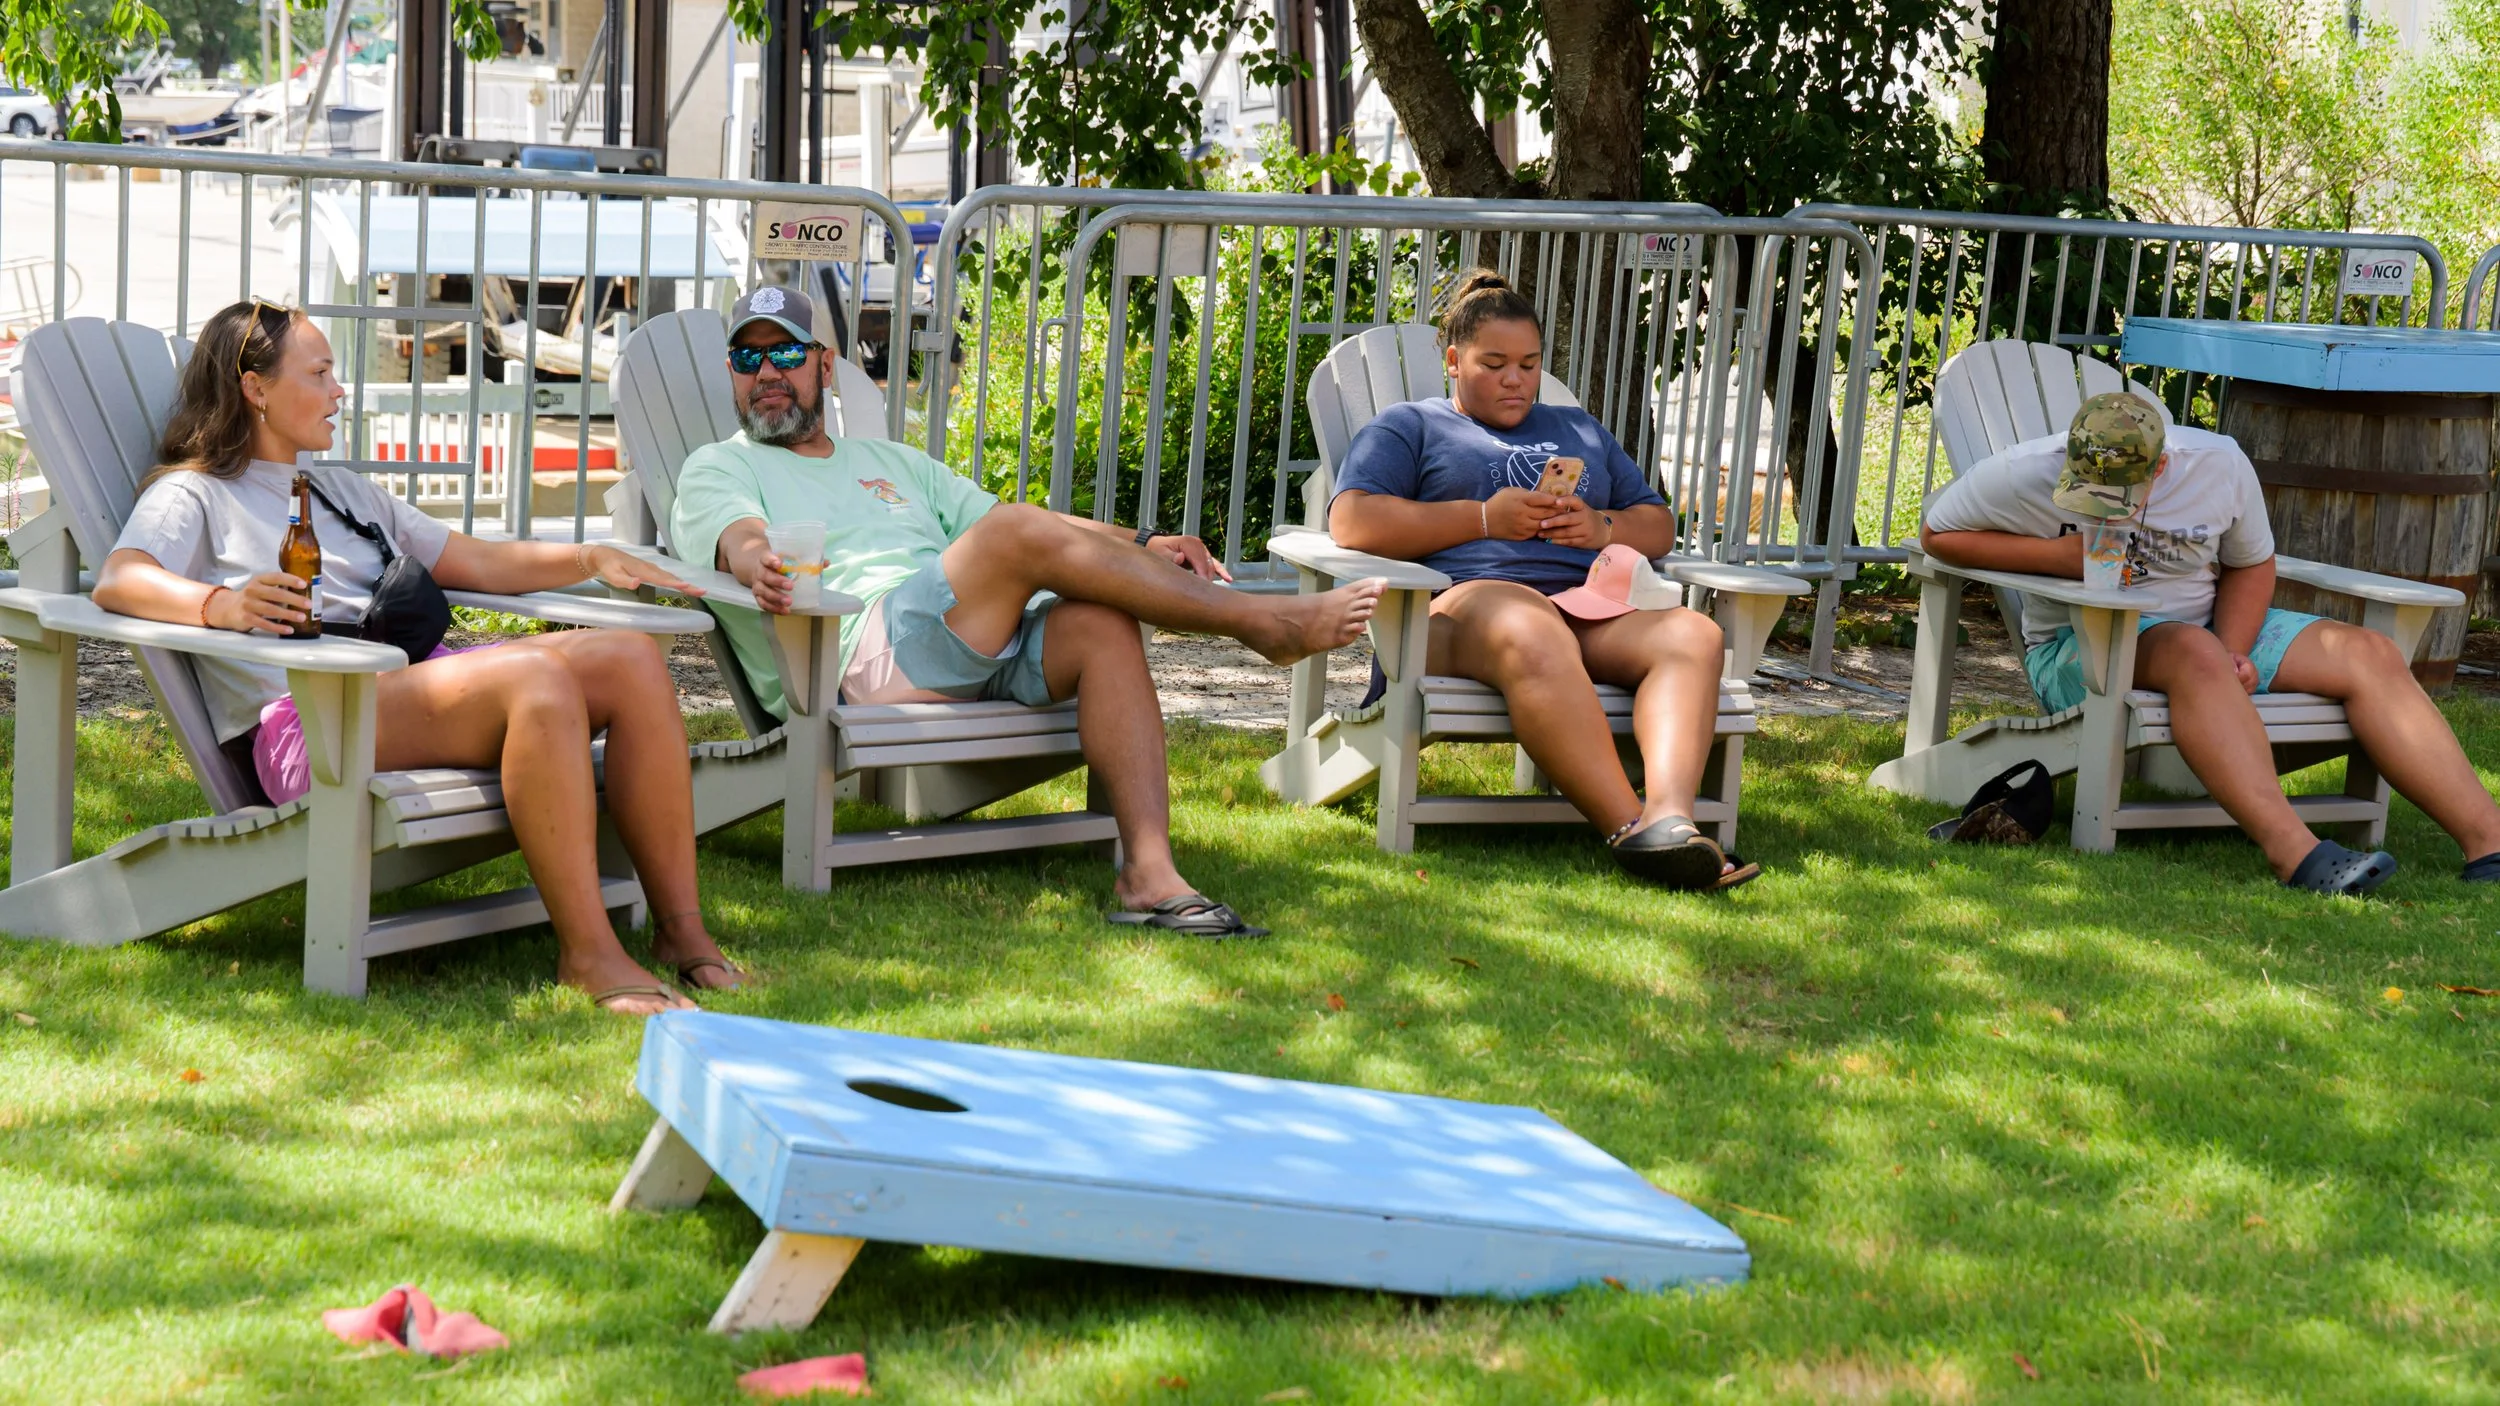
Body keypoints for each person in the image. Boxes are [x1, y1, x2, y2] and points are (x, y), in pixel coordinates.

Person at [667, 287, 1386, 938]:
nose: (766, 371)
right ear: (731, 371)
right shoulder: (720, 467)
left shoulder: (890, 461)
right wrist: (754, 555)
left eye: (786, 351)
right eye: (748, 355)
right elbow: (736, 534)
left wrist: (1143, 541)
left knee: (1100, 625)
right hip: (850, 653)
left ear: (824, 367)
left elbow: (1025, 526)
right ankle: (1257, 622)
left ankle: (1150, 873)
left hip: (961, 631)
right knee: (1012, 533)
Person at [91, 299, 743, 1014]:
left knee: (630, 656)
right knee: (534, 673)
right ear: (256, 388)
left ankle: (683, 934)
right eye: (320, 372)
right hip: (313, 729)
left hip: (407, 695)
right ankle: (588, 953)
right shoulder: (197, 492)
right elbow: (121, 578)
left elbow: (474, 562)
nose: (339, 390)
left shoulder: (340, 489)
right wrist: (222, 604)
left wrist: (588, 555)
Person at [1920, 390, 2500, 895]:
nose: (2103, 511)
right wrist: (2062, 560)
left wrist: (2234, 647)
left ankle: (2489, 846)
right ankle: (2297, 855)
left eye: (2120, 495)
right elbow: (1936, 535)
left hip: (2205, 629)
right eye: (2089, 493)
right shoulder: (2021, 472)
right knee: (2195, 655)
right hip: (2084, 646)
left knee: (2367, 653)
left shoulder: (2217, 466)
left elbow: (2252, 565)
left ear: (2164, 466)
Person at [1324, 270, 1750, 892]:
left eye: (1528, 363)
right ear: (1453, 360)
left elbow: (1657, 523)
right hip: (1458, 610)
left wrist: (1602, 527)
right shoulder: (1411, 425)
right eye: (1493, 363)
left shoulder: (1577, 428)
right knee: (1529, 624)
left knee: (1692, 635)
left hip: (1582, 608)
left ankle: (1670, 820)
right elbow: (1352, 517)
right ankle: (1629, 830)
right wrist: (1481, 517)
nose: (1514, 378)